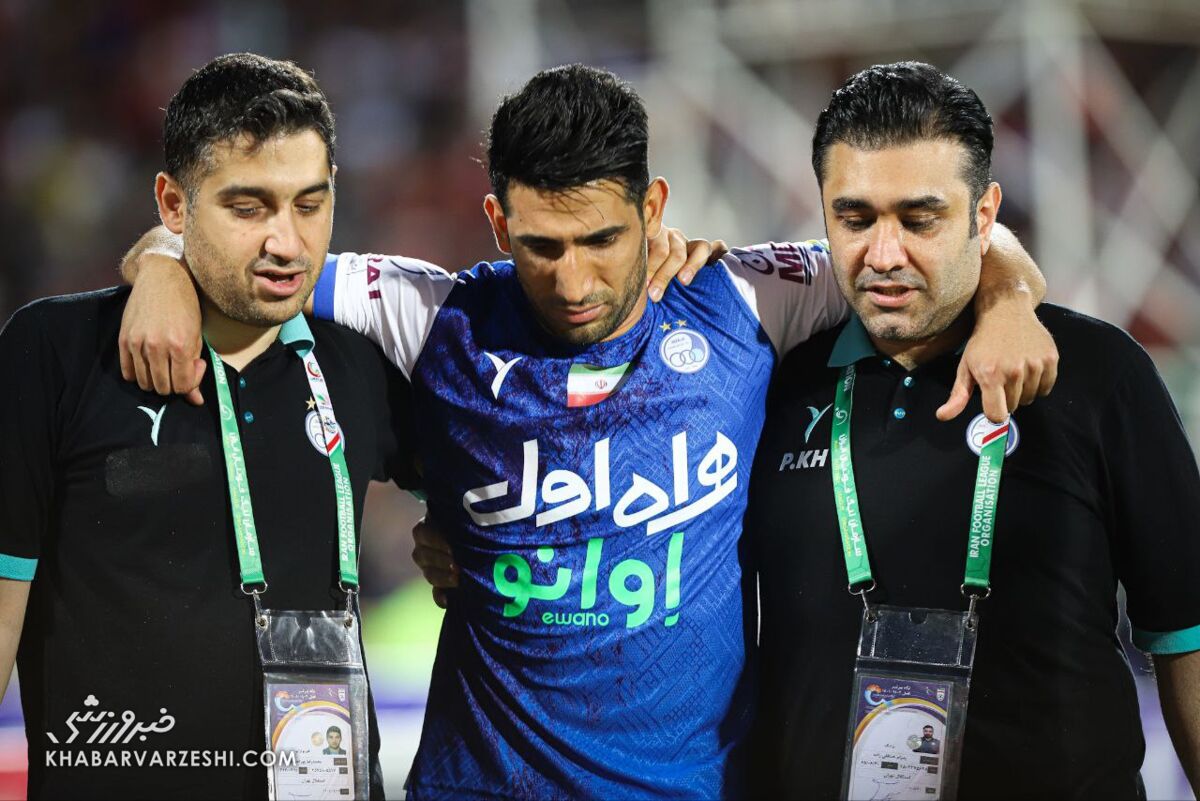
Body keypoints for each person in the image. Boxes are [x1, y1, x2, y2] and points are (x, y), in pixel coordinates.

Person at [120, 64, 1056, 799]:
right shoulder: (433, 314)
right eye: (542, 247)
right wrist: (161, 266)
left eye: (603, 240)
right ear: (497, 222)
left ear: (653, 209)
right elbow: (237, 252)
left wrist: (1012, 299)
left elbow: (935, 243)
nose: (573, 282)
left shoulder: (741, 297)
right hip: (478, 784)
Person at [746, 61, 1200, 799]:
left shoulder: (1097, 373)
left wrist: (1011, 297)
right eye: (854, 219)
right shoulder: (774, 383)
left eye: (919, 220)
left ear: (984, 215)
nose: (883, 255)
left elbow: (1186, 630)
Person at [0, 53, 422, 799]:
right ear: (173, 203)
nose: (286, 242)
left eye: (309, 204)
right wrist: (159, 263)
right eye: (247, 208)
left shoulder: (362, 365)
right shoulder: (55, 352)